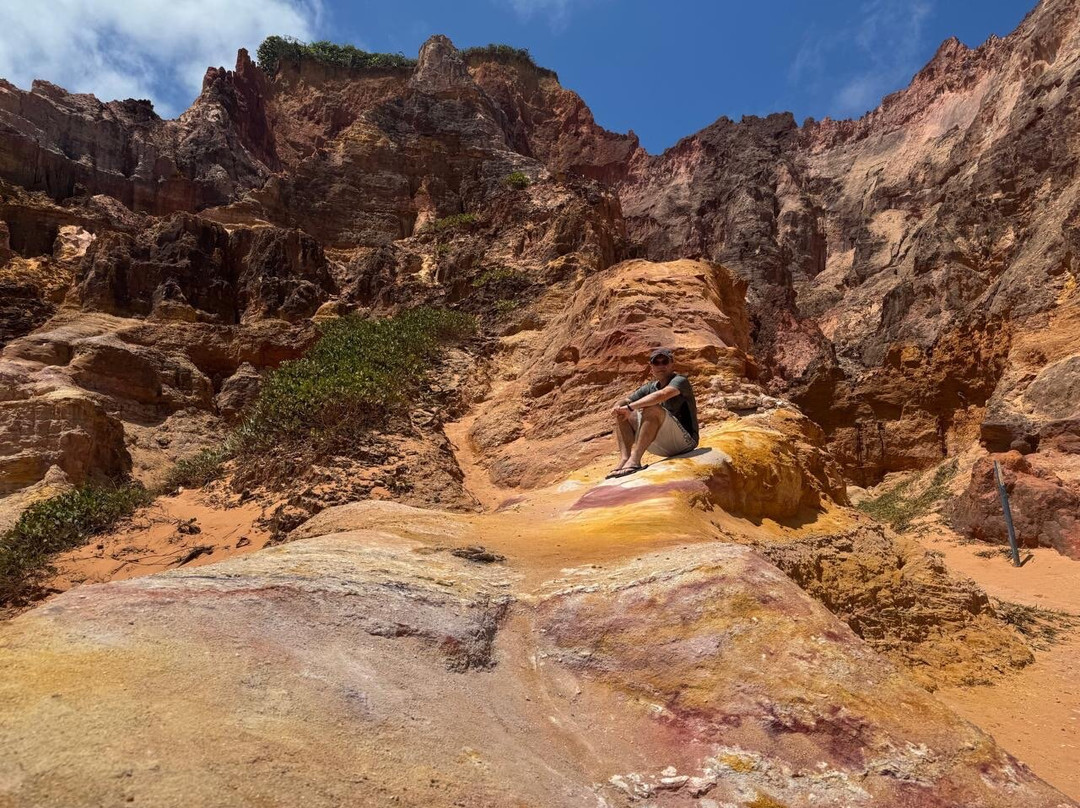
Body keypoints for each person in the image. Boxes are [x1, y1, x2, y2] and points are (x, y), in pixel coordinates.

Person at [607, 347, 699, 478]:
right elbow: (625, 400)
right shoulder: (650, 387)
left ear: (672, 363)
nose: (661, 366)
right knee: (622, 413)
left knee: (651, 409)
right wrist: (618, 407)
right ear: (651, 367)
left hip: (685, 442)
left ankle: (635, 460)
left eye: (665, 362)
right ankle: (625, 459)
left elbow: (663, 394)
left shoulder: (680, 381)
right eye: (657, 363)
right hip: (662, 446)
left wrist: (630, 407)